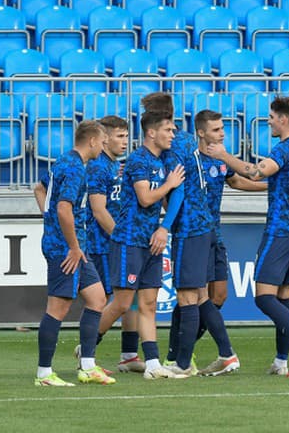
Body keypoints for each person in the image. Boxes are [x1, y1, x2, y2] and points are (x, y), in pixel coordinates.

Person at [207, 96, 289, 377]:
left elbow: (255, 172)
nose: (268, 121)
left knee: (263, 297)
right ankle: (281, 362)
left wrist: (224, 156)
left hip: (280, 230)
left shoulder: (283, 150)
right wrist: (281, 186)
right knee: (284, 296)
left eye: (271, 116)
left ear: (283, 119)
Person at [138, 94, 239, 379]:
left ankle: (183, 363)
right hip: (207, 226)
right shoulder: (184, 141)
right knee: (201, 295)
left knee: (186, 297)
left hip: (189, 228)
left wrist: (166, 225)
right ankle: (225, 353)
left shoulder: (171, 147)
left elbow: (178, 190)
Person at [94, 107, 185, 380]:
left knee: (148, 304)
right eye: (168, 130)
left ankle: (153, 364)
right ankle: (87, 348)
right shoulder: (138, 161)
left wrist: (163, 227)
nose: (173, 134)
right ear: (151, 133)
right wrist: (169, 185)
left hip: (150, 243)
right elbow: (145, 199)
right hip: (129, 241)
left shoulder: (159, 161)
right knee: (122, 303)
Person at [32, 120, 115, 387]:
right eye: (102, 142)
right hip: (66, 249)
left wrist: (50, 223)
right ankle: (44, 373)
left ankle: (88, 366)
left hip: (72, 245)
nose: (103, 147)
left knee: (97, 298)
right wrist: (72, 246)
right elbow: (64, 209)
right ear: (91, 141)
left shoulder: (65, 161)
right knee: (58, 308)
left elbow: (40, 188)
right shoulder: (75, 168)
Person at [193, 109, 267, 376]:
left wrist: (271, 187)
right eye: (215, 130)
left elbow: (236, 181)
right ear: (201, 132)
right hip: (194, 236)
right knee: (193, 297)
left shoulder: (221, 160)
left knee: (218, 297)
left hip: (216, 234)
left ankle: (185, 347)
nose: (222, 133)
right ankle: (184, 353)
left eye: (223, 128)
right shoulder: (191, 160)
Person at [85, 115, 144, 373]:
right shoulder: (98, 167)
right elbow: (99, 210)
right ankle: (86, 350)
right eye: (119, 136)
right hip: (101, 244)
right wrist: (121, 238)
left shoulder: (115, 166)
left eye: (126, 136)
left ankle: (129, 355)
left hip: (115, 241)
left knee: (130, 297)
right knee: (106, 300)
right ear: (104, 138)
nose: (125, 142)